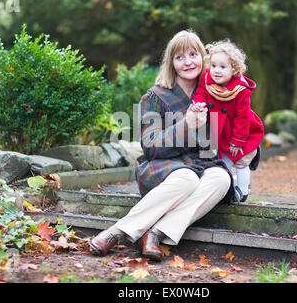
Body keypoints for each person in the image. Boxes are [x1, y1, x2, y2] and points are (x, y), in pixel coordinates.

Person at [88, 30, 235, 261]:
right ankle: (116, 231)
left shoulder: (215, 95)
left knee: (222, 178)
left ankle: (156, 233)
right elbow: (150, 145)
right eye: (180, 57)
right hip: (161, 167)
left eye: (193, 54)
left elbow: (232, 131)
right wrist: (186, 124)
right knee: (187, 178)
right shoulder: (155, 97)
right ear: (172, 63)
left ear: (203, 58)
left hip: (200, 165)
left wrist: (247, 149)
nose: (188, 62)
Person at [191, 39, 264, 203]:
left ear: (234, 69)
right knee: (223, 163)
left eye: (223, 67)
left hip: (237, 131)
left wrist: (238, 140)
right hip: (218, 130)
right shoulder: (206, 80)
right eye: (214, 66)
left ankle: (243, 191)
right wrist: (199, 104)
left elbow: (242, 117)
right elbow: (200, 94)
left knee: (239, 161)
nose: (217, 71)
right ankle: (225, 190)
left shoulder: (240, 89)